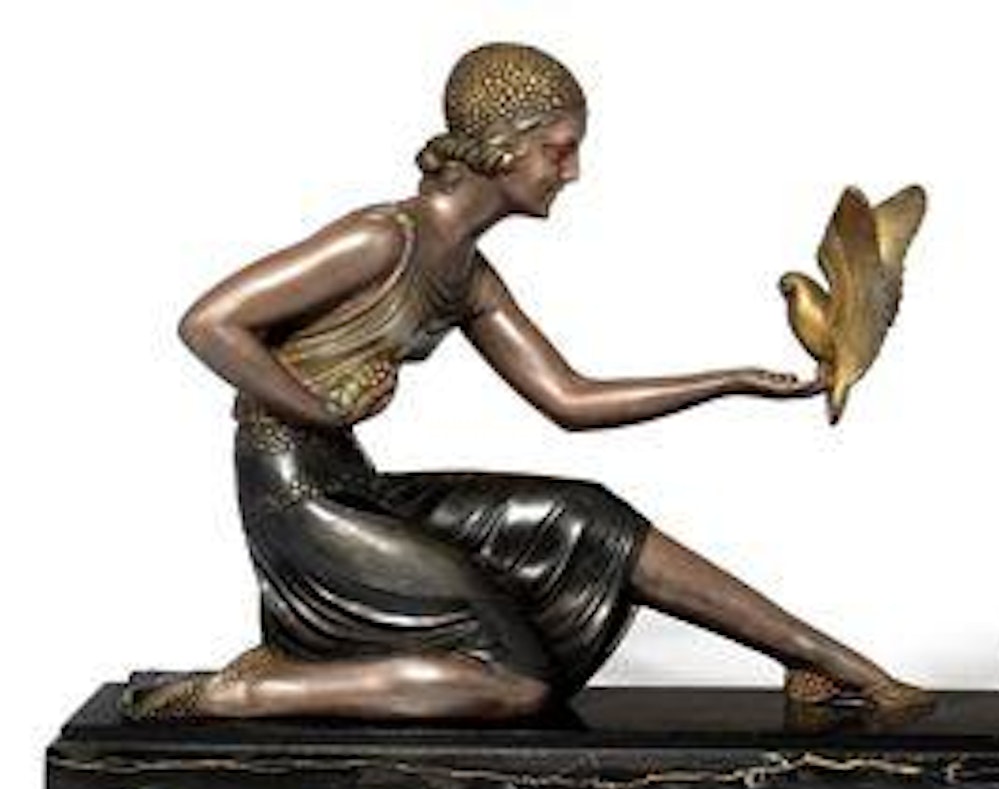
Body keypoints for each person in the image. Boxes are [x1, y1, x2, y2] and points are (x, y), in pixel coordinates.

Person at [128, 43, 929, 720]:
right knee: (514, 685)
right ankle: (248, 691)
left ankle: (824, 660)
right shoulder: (382, 237)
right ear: (505, 148)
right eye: (560, 148)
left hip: (350, 484)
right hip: (298, 498)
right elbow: (210, 321)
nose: (572, 171)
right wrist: (319, 407)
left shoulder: (468, 274)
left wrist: (729, 380)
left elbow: (569, 399)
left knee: (589, 519)